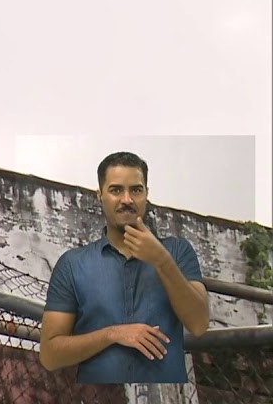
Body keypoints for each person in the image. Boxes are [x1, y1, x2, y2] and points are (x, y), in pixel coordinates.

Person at [39, 151, 210, 384]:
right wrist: (113, 334)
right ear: (100, 195)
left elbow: (199, 325)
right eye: (116, 190)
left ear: (147, 194)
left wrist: (161, 260)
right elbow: (50, 355)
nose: (127, 199)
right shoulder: (73, 264)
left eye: (136, 190)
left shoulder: (178, 252)